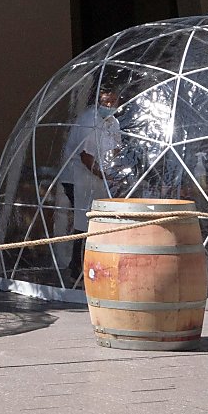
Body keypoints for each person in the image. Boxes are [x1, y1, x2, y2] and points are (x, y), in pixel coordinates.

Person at [62, 85, 123, 280]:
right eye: (106, 101)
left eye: (113, 101)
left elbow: (116, 149)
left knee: (98, 221)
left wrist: (114, 170)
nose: (110, 105)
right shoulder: (89, 120)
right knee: (84, 221)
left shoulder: (112, 122)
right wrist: (104, 175)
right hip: (77, 177)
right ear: (98, 101)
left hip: (97, 177)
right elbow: (85, 156)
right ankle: (77, 268)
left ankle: (96, 263)